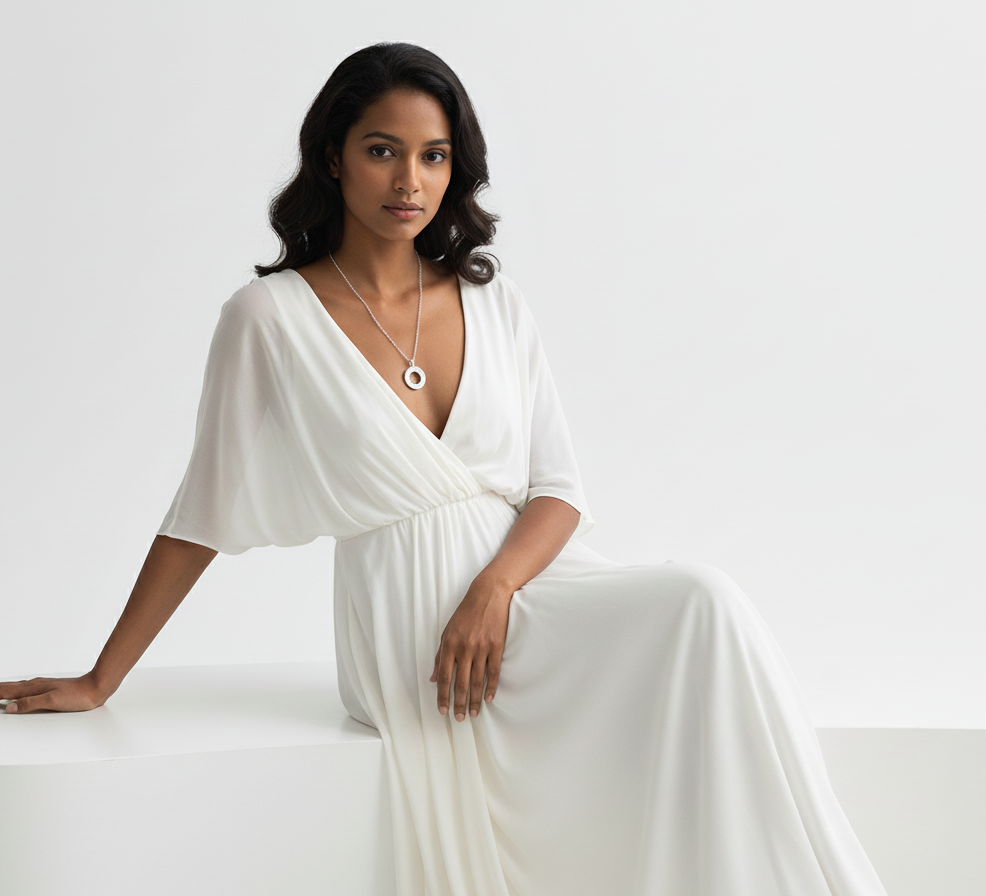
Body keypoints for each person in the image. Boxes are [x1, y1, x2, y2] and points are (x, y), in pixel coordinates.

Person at [0, 42, 888, 896]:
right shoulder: (267, 318)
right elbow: (201, 508)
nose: (408, 181)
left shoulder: (493, 300)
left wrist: (494, 589)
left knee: (707, 603)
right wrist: (101, 677)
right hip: (400, 622)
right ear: (332, 158)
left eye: (433, 156)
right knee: (698, 616)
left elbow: (559, 488)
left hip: (522, 591)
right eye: (382, 151)